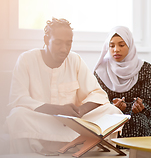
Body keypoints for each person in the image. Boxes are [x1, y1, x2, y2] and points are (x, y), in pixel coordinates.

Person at [6, 18, 122, 155]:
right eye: (58, 43)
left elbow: (98, 93)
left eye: (68, 44)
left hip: (73, 124)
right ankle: (54, 146)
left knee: (111, 111)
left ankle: (77, 146)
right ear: (46, 40)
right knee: (17, 116)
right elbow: (18, 99)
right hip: (43, 122)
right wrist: (57, 110)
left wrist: (80, 111)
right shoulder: (26, 59)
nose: (64, 49)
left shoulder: (75, 60)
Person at [94, 26, 151, 139]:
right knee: (117, 122)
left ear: (130, 45)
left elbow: (149, 103)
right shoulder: (101, 71)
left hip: (140, 118)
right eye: (111, 46)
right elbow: (98, 103)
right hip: (111, 117)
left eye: (121, 45)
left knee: (135, 120)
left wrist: (140, 106)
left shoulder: (145, 68)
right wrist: (113, 107)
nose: (116, 49)